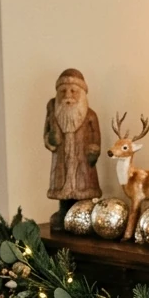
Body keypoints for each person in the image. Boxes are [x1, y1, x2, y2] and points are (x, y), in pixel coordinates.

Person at [43, 68, 101, 202]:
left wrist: (94, 150)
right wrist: (50, 139)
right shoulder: (54, 113)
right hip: (60, 162)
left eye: (73, 91)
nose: (67, 95)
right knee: (62, 186)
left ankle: (82, 211)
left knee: (83, 188)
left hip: (83, 162)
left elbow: (96, 137)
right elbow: (47, 136)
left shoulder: (90, 115)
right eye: (63, 91)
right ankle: (63, 211)